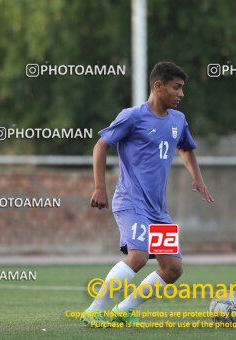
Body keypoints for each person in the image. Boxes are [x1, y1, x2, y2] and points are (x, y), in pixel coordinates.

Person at [82, 61, 214, 327]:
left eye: (182, 88)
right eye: (176, 87)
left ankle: (123, 310)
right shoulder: (133, 116)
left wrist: (198, 178)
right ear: (158, 86)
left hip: (157, 209)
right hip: (131, 201)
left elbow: (186, 149)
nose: (181, 94)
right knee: (138, 256)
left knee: (173, 268)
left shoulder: (178, 120)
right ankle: (95, 310)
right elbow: (100, 146)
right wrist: (99, 187)